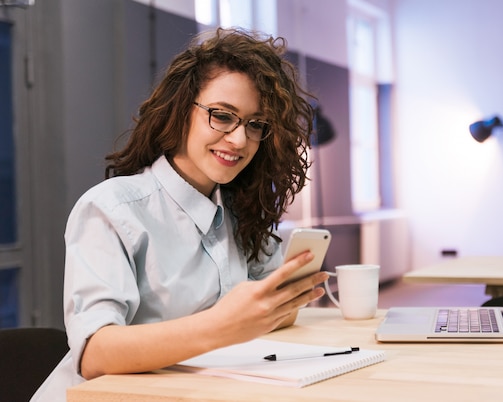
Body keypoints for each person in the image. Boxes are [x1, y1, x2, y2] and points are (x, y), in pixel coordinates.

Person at [31, 27, 329, 401]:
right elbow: (94, 354)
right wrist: (222, 324)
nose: (239, 139)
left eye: (255, 125)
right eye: (222, 116)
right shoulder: (110, 209)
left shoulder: (240, 213)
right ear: (180, 111)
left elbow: (271, 312)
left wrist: (281, 299)